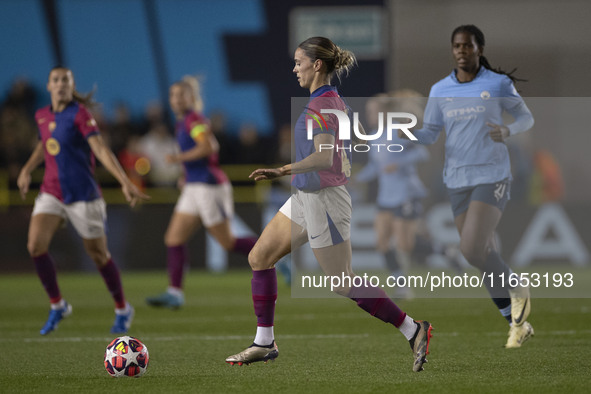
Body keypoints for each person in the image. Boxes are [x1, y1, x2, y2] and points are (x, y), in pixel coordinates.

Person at [225, 37, 433, 372]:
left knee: (343, 281)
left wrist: (283, 169)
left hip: (324, 200)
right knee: (259, 257)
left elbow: (323, 157)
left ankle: (413, 329)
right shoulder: (332, 101)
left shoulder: (323, 105)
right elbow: (351, 139)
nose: (295, 69)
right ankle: (264, 341)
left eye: (299, 62)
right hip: (307, 196)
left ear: (316, 64)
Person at [400, 25, 535, 348]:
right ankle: (516, 324)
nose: (462, 50)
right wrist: (404, 133)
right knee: (481, 255)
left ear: (480, 49)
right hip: (456, 179)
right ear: (452, 50)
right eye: (457, 46)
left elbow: (526, 118)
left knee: (472, 249)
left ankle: (516, 285)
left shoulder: (498, 83)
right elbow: (431, 133)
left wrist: (508, 130)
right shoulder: (439, 90)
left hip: (492, 175)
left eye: (468, 45)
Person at [17, 66, 150, 335]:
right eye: (56, 80)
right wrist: (27, 169)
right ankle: (58, 305)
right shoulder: (42, 115)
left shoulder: (80, 115)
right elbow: (46, 145)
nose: (61, 84)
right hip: (51, 192)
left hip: (83, 196)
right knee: (35, 246)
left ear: (71, 85)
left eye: (66, 80)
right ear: (48, 86)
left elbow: (100, 148)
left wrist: (124, 181)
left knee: (99, 256)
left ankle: (123, 308)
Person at [145, 76, 257, 309]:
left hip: (209, 186)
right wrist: (185, 175)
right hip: (194, 186)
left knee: (227, 242)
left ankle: (278, 256)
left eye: (181, 95)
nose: (176, 99)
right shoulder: (182, 121)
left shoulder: (194, 119)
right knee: (173, 238)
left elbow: (209, 146)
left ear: (192, 98)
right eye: (173, 95)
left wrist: (178, 158)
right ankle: (175, 293)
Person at [355, 92, 429, 297]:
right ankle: (402, 286)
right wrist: (351, 178)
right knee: (382, 243)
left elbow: (422, 153)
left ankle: (443, 252)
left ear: (384, 113)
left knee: (405, 244)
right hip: (385, 197)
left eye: (372, 110)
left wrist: (398, 163)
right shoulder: (372, 137)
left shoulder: (397, 132)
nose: (368, 114)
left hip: (405, 193)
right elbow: (374, 168)